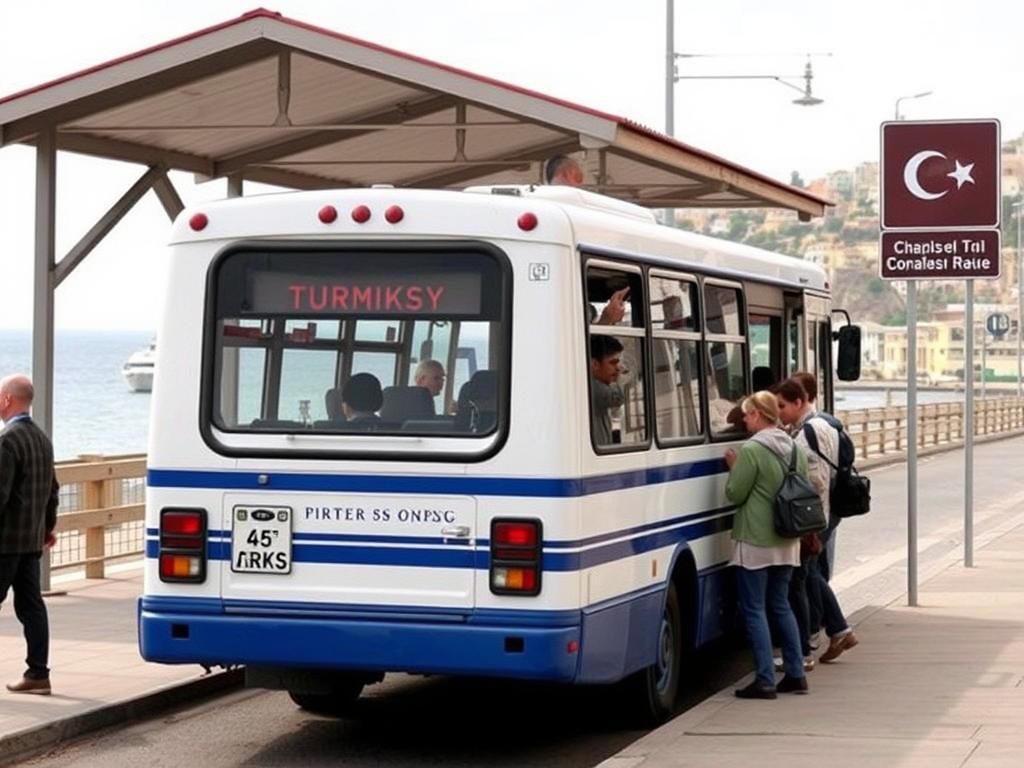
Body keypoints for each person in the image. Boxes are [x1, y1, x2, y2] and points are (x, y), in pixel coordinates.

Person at [724, 391, 809, 698]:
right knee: (780, 605)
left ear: (758, 415)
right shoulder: (793, 447)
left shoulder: (752, 450)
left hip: (756, 540)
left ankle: (765, 679)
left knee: (754, 608)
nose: (744, 419)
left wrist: (734, 467)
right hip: (787, 539)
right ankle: (796, 673)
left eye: (746, 414)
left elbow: (735, 493)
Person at [785, 372, 859, 664]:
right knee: (812, 572)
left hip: (817, 515)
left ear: (800, 399)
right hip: (828, 511)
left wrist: (810, 524)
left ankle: (832, 631)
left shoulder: (811, 431)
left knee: (807, 574)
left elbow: (815, 481)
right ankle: (834, 630)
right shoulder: (827, 423)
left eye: (782, 404)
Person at [0, 374, 59, 695]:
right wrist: (47, 528)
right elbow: (53, 491)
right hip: (30, 542)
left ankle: (37, 676)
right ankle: (38, 674)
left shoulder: (7, 440)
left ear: (7, 399)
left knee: (29, 606)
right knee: (32, 606)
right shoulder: (41, 438)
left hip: (6, 543)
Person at [589, 335, 624, 446]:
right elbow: (617, 398)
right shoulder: (594, 388)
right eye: (613, 363)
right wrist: (616, 380)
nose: (618, 368)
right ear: (594, 364)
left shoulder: (599, 385)